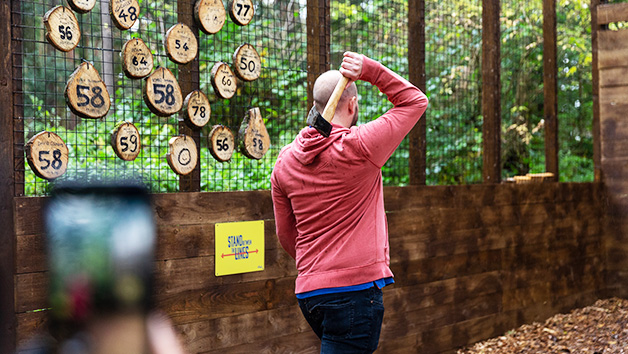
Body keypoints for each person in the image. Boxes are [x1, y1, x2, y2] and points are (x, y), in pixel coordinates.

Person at [270, 51, 429, 353]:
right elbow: (415, 101)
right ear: (353, 104)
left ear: (315, 106)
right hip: (354, 294)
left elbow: (286, 234)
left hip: (310, 293)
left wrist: (319, 268)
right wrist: (370, 70)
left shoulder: (284, 162)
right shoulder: (360, 146)